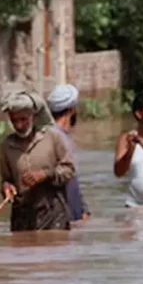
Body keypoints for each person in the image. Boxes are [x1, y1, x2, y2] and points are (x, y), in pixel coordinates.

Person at [0, 89, 77, 231]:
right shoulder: (6, 146)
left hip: (53, 213)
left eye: (23, 119)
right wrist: (7, 188)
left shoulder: (52, 137)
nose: (19, 125)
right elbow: (6, 179)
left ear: (32, 116)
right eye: (14, 120)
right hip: (21, 216)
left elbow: (69, 170)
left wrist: (45, 174)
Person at [46, 84, 91, 222]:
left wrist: (83, 210)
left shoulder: (53, 134)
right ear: (71, 109)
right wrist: (78, 212)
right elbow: (67, 180)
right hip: (63, 215)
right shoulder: (59, 137)